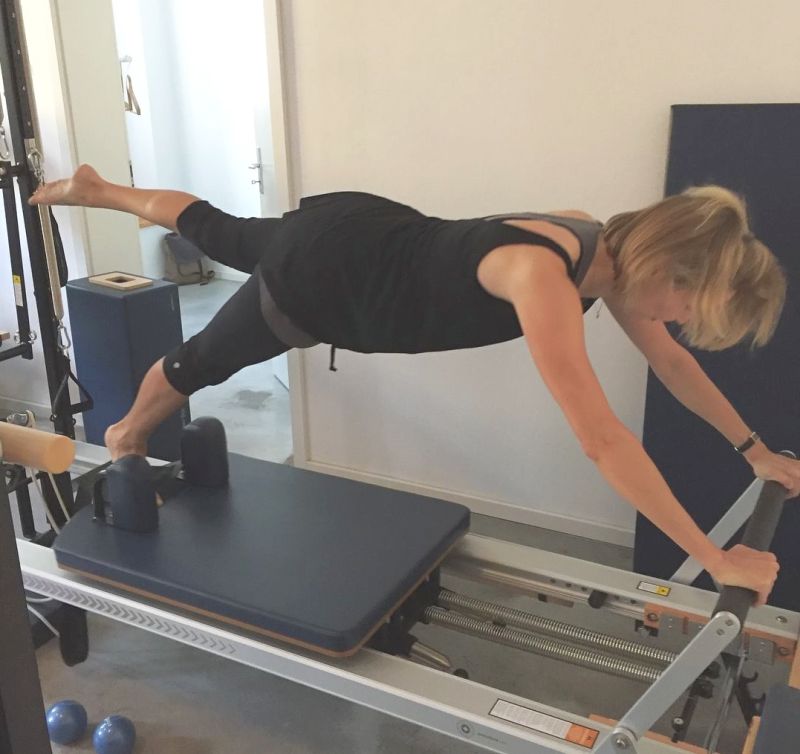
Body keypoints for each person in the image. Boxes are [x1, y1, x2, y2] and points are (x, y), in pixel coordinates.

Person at [31, 165, 799, 606]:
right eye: (687, 309)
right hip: (328, 281)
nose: (678, 325)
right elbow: (602, 438)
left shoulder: (592, 237)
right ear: (668, 268)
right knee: (200, 360)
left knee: (218, 227)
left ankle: (102, 190)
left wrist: (754, 450)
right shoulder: (543, 278)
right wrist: (714, 556)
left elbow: (671, 363)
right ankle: (127, 433)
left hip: (362, 228)